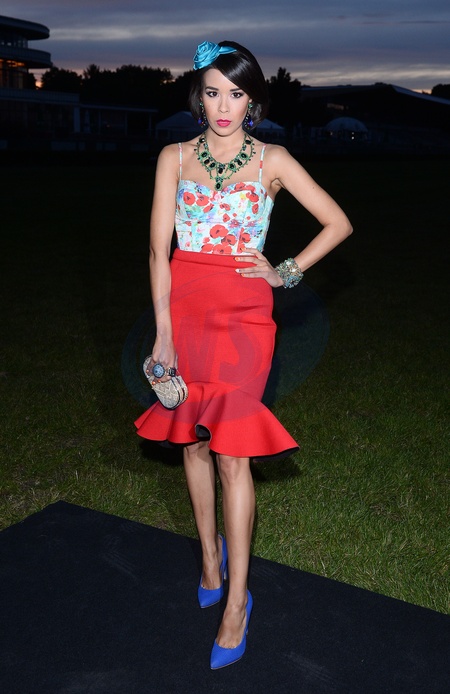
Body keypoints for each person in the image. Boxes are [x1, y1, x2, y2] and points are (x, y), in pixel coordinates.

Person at [135, 40, 352, 669]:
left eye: (236, 94)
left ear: (253, 100)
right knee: (192, 442)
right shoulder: (174, 157)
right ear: (198, 97)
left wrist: (285, 271)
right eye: (213, 92)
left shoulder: (272, 159)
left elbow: (337, 223)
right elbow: (157, 252)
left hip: (246, 320)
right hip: (185, 314)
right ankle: (210, 558)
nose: (224, 106)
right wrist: (163, 334)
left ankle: (237, 602)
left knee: (233, 453)